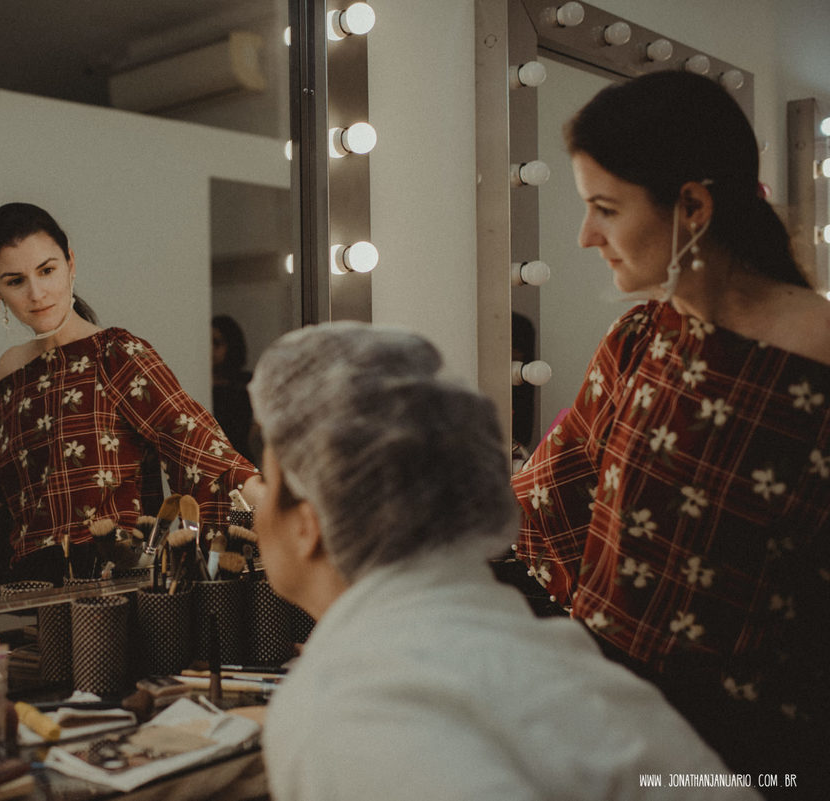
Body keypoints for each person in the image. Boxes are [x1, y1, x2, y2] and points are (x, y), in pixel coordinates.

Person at [247, 321, 754, 801]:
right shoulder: (550, 657)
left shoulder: (354, 703)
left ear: (307, 524)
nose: (254, 500)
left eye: (265, 482)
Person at [511, 70, 830, 787]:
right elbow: (543, 501)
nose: (586, 235)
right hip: (614, 729)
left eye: (605, 208)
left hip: (759, 760)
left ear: (692, 205)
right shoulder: (640, 337)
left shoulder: (819, 368)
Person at [0, 203, 262, 598]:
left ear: (70, 263)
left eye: (47, 270)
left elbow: (199, 447)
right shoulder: (9, 372)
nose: (36, 293)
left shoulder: (115, 353)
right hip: (30, 589)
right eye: (15, 281)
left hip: (115, 584)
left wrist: (277, 508)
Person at [211, 314, 257, 465]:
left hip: (242, 461)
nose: (210, 350)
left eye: (216, 343)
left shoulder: (246, 384)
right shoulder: (197, 383)